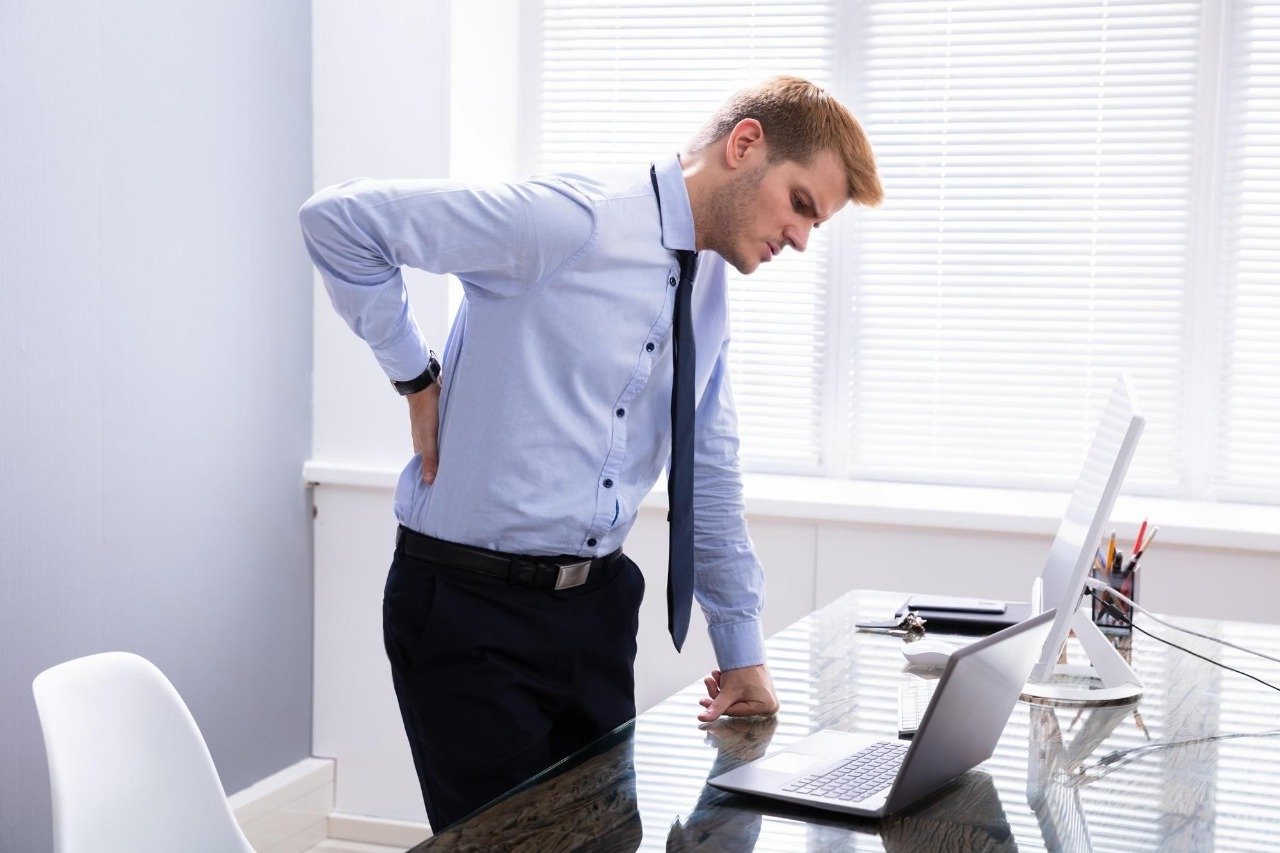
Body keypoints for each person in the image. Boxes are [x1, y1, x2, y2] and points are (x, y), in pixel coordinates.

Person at [298, 75, 882, 831]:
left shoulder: (704, 290)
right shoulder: (571, 221)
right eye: (802, 203)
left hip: (596, 614)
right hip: (471, 612)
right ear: (745, 146)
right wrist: (414, 375)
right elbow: (339, 220)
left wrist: (741, 648)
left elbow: (708, 469)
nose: (802, 238)